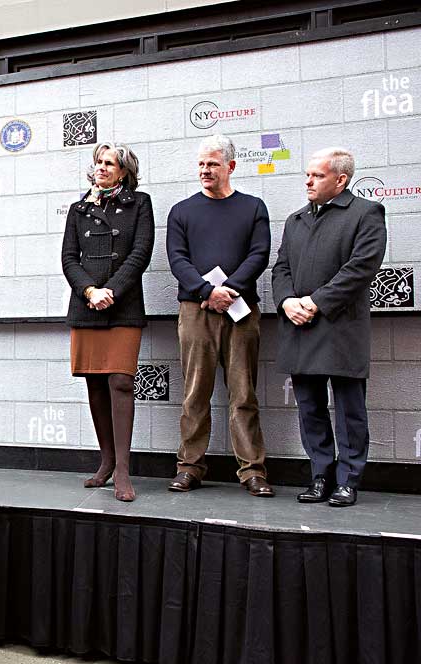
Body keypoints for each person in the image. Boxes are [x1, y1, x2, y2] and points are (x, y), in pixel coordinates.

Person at [272, 147, 386, 507]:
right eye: (307, 174)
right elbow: (281, 269)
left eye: (317, 175)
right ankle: (321, 475)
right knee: (310, 408)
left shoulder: (366, 213)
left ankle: (348, 479)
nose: (308, 181)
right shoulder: (295, 219)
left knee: (351, 409)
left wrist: (315, 302)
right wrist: (288, 301)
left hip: (340, 328)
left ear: (340, 180)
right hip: (299, 325)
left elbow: (361, 268)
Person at [165, 134, 274, 497]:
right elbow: (177, 259)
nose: (205, 170)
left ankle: (252, 471)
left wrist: (229, 290)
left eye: (212, 164)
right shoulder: (181, 211)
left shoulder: (254, 207)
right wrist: (206, 292)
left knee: (244, 394)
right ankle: (189, 467)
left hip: (241, 311)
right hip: (196, 311)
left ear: (230, 166)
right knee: (195, 393)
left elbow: (259, 254)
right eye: (200, 164)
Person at [61, 141, 154, 502]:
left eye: (110, 164)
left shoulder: (139, 203)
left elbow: (140, 252)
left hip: (122, 303)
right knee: (95, 385)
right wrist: (89, 291)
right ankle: (106, 462)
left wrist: (111, 291)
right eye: (98, 162)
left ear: (124, 171)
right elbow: (69, 258)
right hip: (87, 306)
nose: (101, 168)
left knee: (120, 382)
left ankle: (124, 472)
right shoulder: (79, 208)